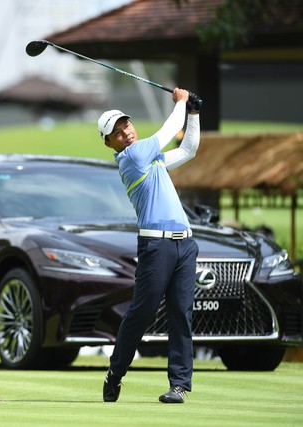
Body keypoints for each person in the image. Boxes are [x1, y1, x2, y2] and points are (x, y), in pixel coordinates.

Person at [98, 87, 201, 404]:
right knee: (142, 313)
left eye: (126, 126)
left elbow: (188, 150)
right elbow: (169, 130)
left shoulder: (151, 159)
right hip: (156, 248)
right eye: (117, 133)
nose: (125, 133)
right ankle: (115, 373)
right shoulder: (131, 158)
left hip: (185, 245)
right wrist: (182, 103)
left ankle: (179, 384)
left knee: (181, 313)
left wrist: (194, 114)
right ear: (109, 143)